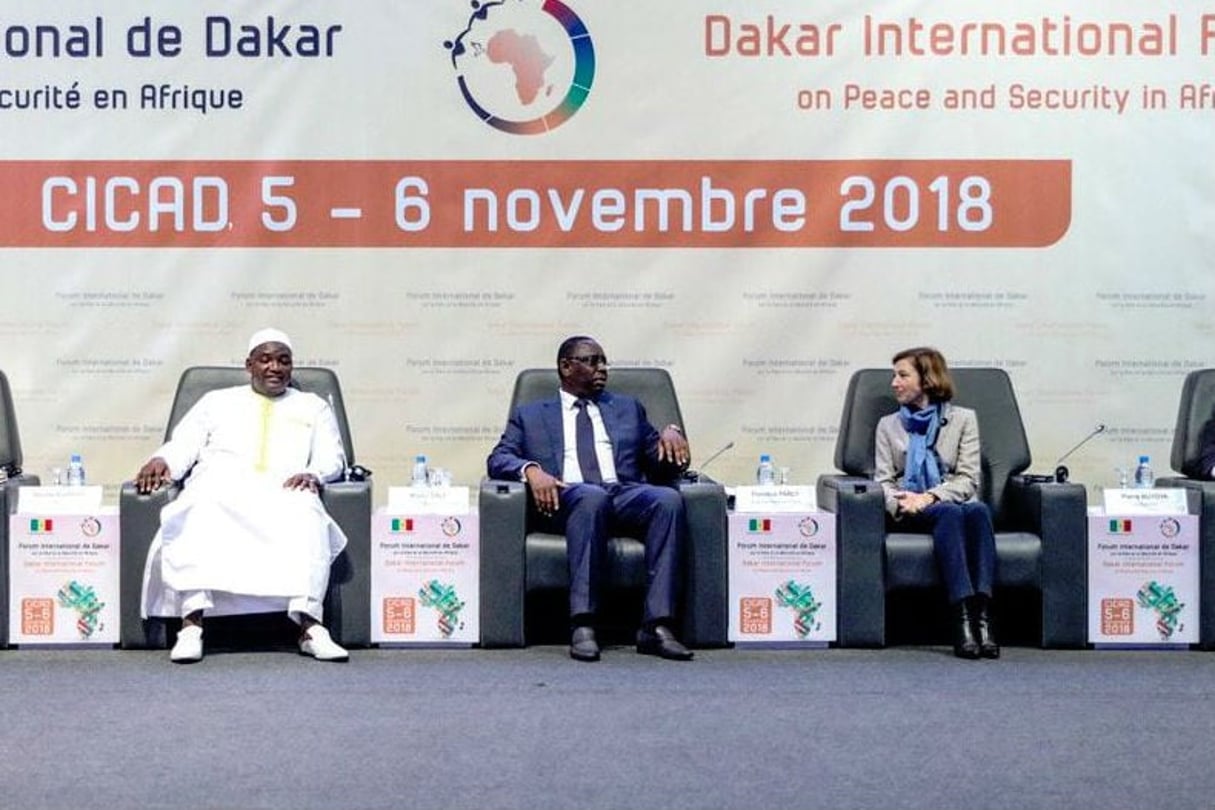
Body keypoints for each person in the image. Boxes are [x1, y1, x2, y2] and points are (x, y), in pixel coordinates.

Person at [135, 328, 350, 663]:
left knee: (308, 512)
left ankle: (310, 627)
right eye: (265, 359)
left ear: (291, 367)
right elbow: (184, 443)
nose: (274, 368)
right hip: (220, 485)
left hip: (284, 488)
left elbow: (331, 457)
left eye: (283, 361)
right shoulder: (217, 401)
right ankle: (192, 626)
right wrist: (163, 459)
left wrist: (314, 474)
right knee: (196, 507)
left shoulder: (312, 406)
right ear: (249, 365)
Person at [487, 336, 695, 662]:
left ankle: (657, 626)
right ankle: (583, 623)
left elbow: (660, 462)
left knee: (667, 500)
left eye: (603, 361)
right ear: (566, 366)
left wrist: (672, 434)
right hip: (568, 495)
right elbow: (499, 458)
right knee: (590, 497)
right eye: (592, 360)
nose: (602, 368)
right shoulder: (531, 415)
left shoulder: (627, 407)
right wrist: (530, 470)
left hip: (623, 492)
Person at [873, 347, 999, 660]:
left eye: (902, 375)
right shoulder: (888, 426)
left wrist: (929, 496)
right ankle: (962, 621)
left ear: (927, 380)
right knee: (951, 513)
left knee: (978, 510)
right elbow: (883, 483)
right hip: (909, 507)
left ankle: (982, 617)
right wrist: (903, 502)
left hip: (947, 500)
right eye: (894, 375)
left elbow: (969, 479)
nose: (894, 383)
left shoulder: (963, 420)